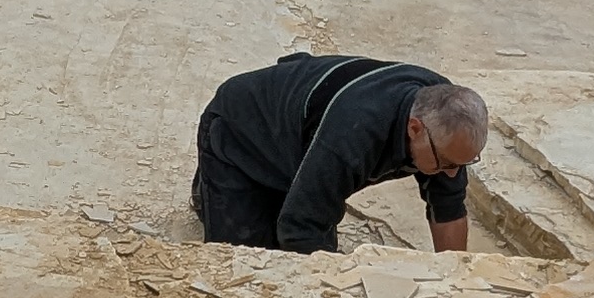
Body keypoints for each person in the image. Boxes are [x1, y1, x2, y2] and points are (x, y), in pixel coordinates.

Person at [189, 55, 491, 252]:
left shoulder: (445, 116)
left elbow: (449, 207)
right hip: (240, 129)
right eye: (448, 164)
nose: (452, 173)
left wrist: (451, 280)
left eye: (462, 164)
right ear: (414, 129)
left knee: (304, 204)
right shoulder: (352, 134)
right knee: (249, 261)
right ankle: (213, 183)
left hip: (303, 133)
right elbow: (301, 227)